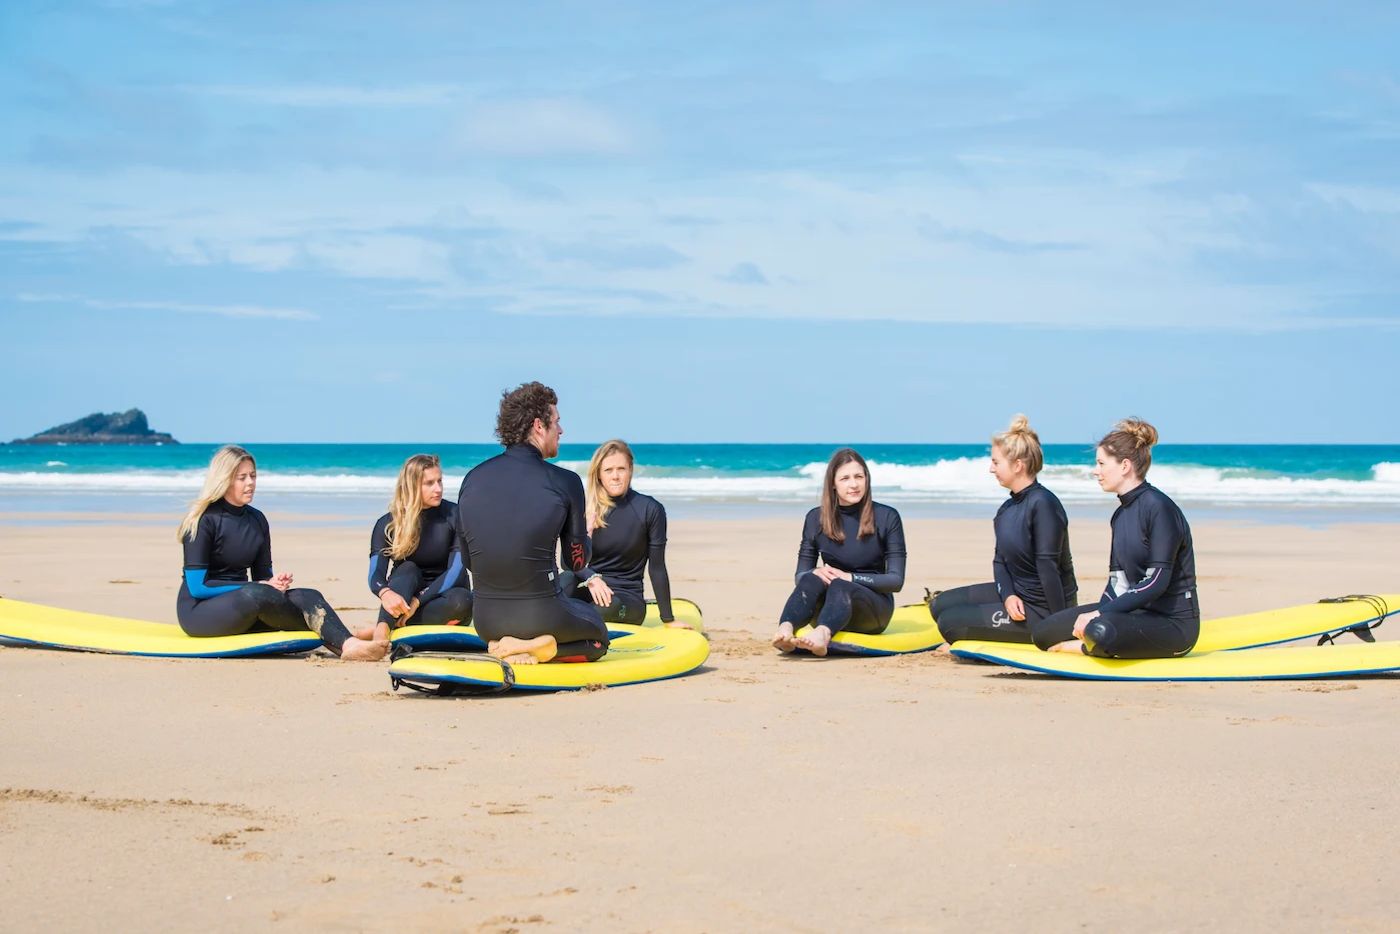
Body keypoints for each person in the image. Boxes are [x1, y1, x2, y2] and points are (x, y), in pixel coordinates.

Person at [176, 445, 388, 660]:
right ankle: (345, 637)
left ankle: (348, 644)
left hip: (247, 603)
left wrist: (274, 583)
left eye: (253, 476)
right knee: (256, 594)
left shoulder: (257, 520)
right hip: (200, 612)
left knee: (308, 595)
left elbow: (262, 579)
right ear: (224, 480)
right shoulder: (203, 521)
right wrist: (258, 586)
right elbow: (198, 587)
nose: (250, 483)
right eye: (242, 477)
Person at [455, 382, 609, 665]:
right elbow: (574, 563)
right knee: (599, 637)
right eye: (557, 422)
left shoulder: (472, 479)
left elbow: (469, 560)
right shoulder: (565, 482)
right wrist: (585, 535)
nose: (561, 431)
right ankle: (542, 647)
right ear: (539, 425)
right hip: (542, 616)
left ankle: (512, 645)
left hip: (486, 623)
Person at [1030, 418, 1200, 658]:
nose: (1095, 470)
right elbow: (1117, 583)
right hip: (1135, 614)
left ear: (1125, 466)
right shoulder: (1120, 516)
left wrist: (1100, 616)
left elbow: (1157, 582)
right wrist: (1103, 609)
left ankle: (1084, 647)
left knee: (1099, 630)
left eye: (1101, 463)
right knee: (1045, 632)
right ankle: (1096, 641)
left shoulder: (1160, 509)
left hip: (1173, 624)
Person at [929, 415, 1076, 646]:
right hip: (1017, 595)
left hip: (1043, 608)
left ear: (1018, 465)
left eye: (996, 462)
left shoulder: (1043, 504)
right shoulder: (1006, 509)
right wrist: (1008, 596)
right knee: (939, 605)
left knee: (950, 622)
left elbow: (1049, 568)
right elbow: (1000, 562)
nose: (990, 469)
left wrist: (1059, 626)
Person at [772, 448, 906, 656]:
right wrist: (814, 573)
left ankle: (823, 635)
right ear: (833, 484)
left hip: (872, 612)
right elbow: (800, 576)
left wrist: (850, 577)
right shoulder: (815, 518)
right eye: (845, 478)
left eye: (859, 476)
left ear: (867, 479)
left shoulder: (887, 517)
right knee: (812, 577)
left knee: (841, 584)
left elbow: (895, 581)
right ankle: (786, 629)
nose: (854, 484)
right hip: (830, 609)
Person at [558, 439, 685, 627]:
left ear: (631, 470)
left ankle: (569, 622)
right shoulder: (584, 509)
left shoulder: (650, 509)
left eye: (621, 469)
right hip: (589, 587)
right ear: (599, 475)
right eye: (608, 470)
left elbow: (657, 567)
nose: (615, 476)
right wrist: (585, 538)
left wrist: (668, 619)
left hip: (626, 597)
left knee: (604, 606)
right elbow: (567, 564)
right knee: (564, 581)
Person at [368, 454, 473, 629]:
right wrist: (385, 593)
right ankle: (381, 632)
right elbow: (375, 575)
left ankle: (389, 626)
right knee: (407, 569)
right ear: (411, 486)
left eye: (440, 481)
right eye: (430, 483)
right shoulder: (388, 524)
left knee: (463, 601)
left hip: (445, 599)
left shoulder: (455, 515)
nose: (438, 489)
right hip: (406, 596)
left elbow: (455, 572)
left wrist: (418, 601)